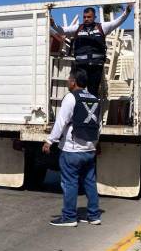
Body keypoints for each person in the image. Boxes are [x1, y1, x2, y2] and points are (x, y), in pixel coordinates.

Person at [42, 68, 102, 227]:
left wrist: (50, 141)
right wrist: (95, 144)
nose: (68, 81)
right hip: (89, 149)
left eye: (69, 79)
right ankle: (94, 215)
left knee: (70, 183)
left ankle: (69, 217)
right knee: (90, 182)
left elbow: (61, 121)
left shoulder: (71, 97)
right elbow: (97, 124)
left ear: (74, 82)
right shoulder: (94, 98)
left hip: (72, 149)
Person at [50, 3, 133, 97]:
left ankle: (92, 110)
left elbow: (118, 21)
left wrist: (127, 11)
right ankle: (78, 110)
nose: (86, 19)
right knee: (77, 92)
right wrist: (53, 24)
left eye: (89, 17)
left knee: (93, 93)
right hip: (81, 66)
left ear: (94, 17)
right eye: (84, 17)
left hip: (96, 66)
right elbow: (62, 30)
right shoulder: (78, 28)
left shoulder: (102, 27)